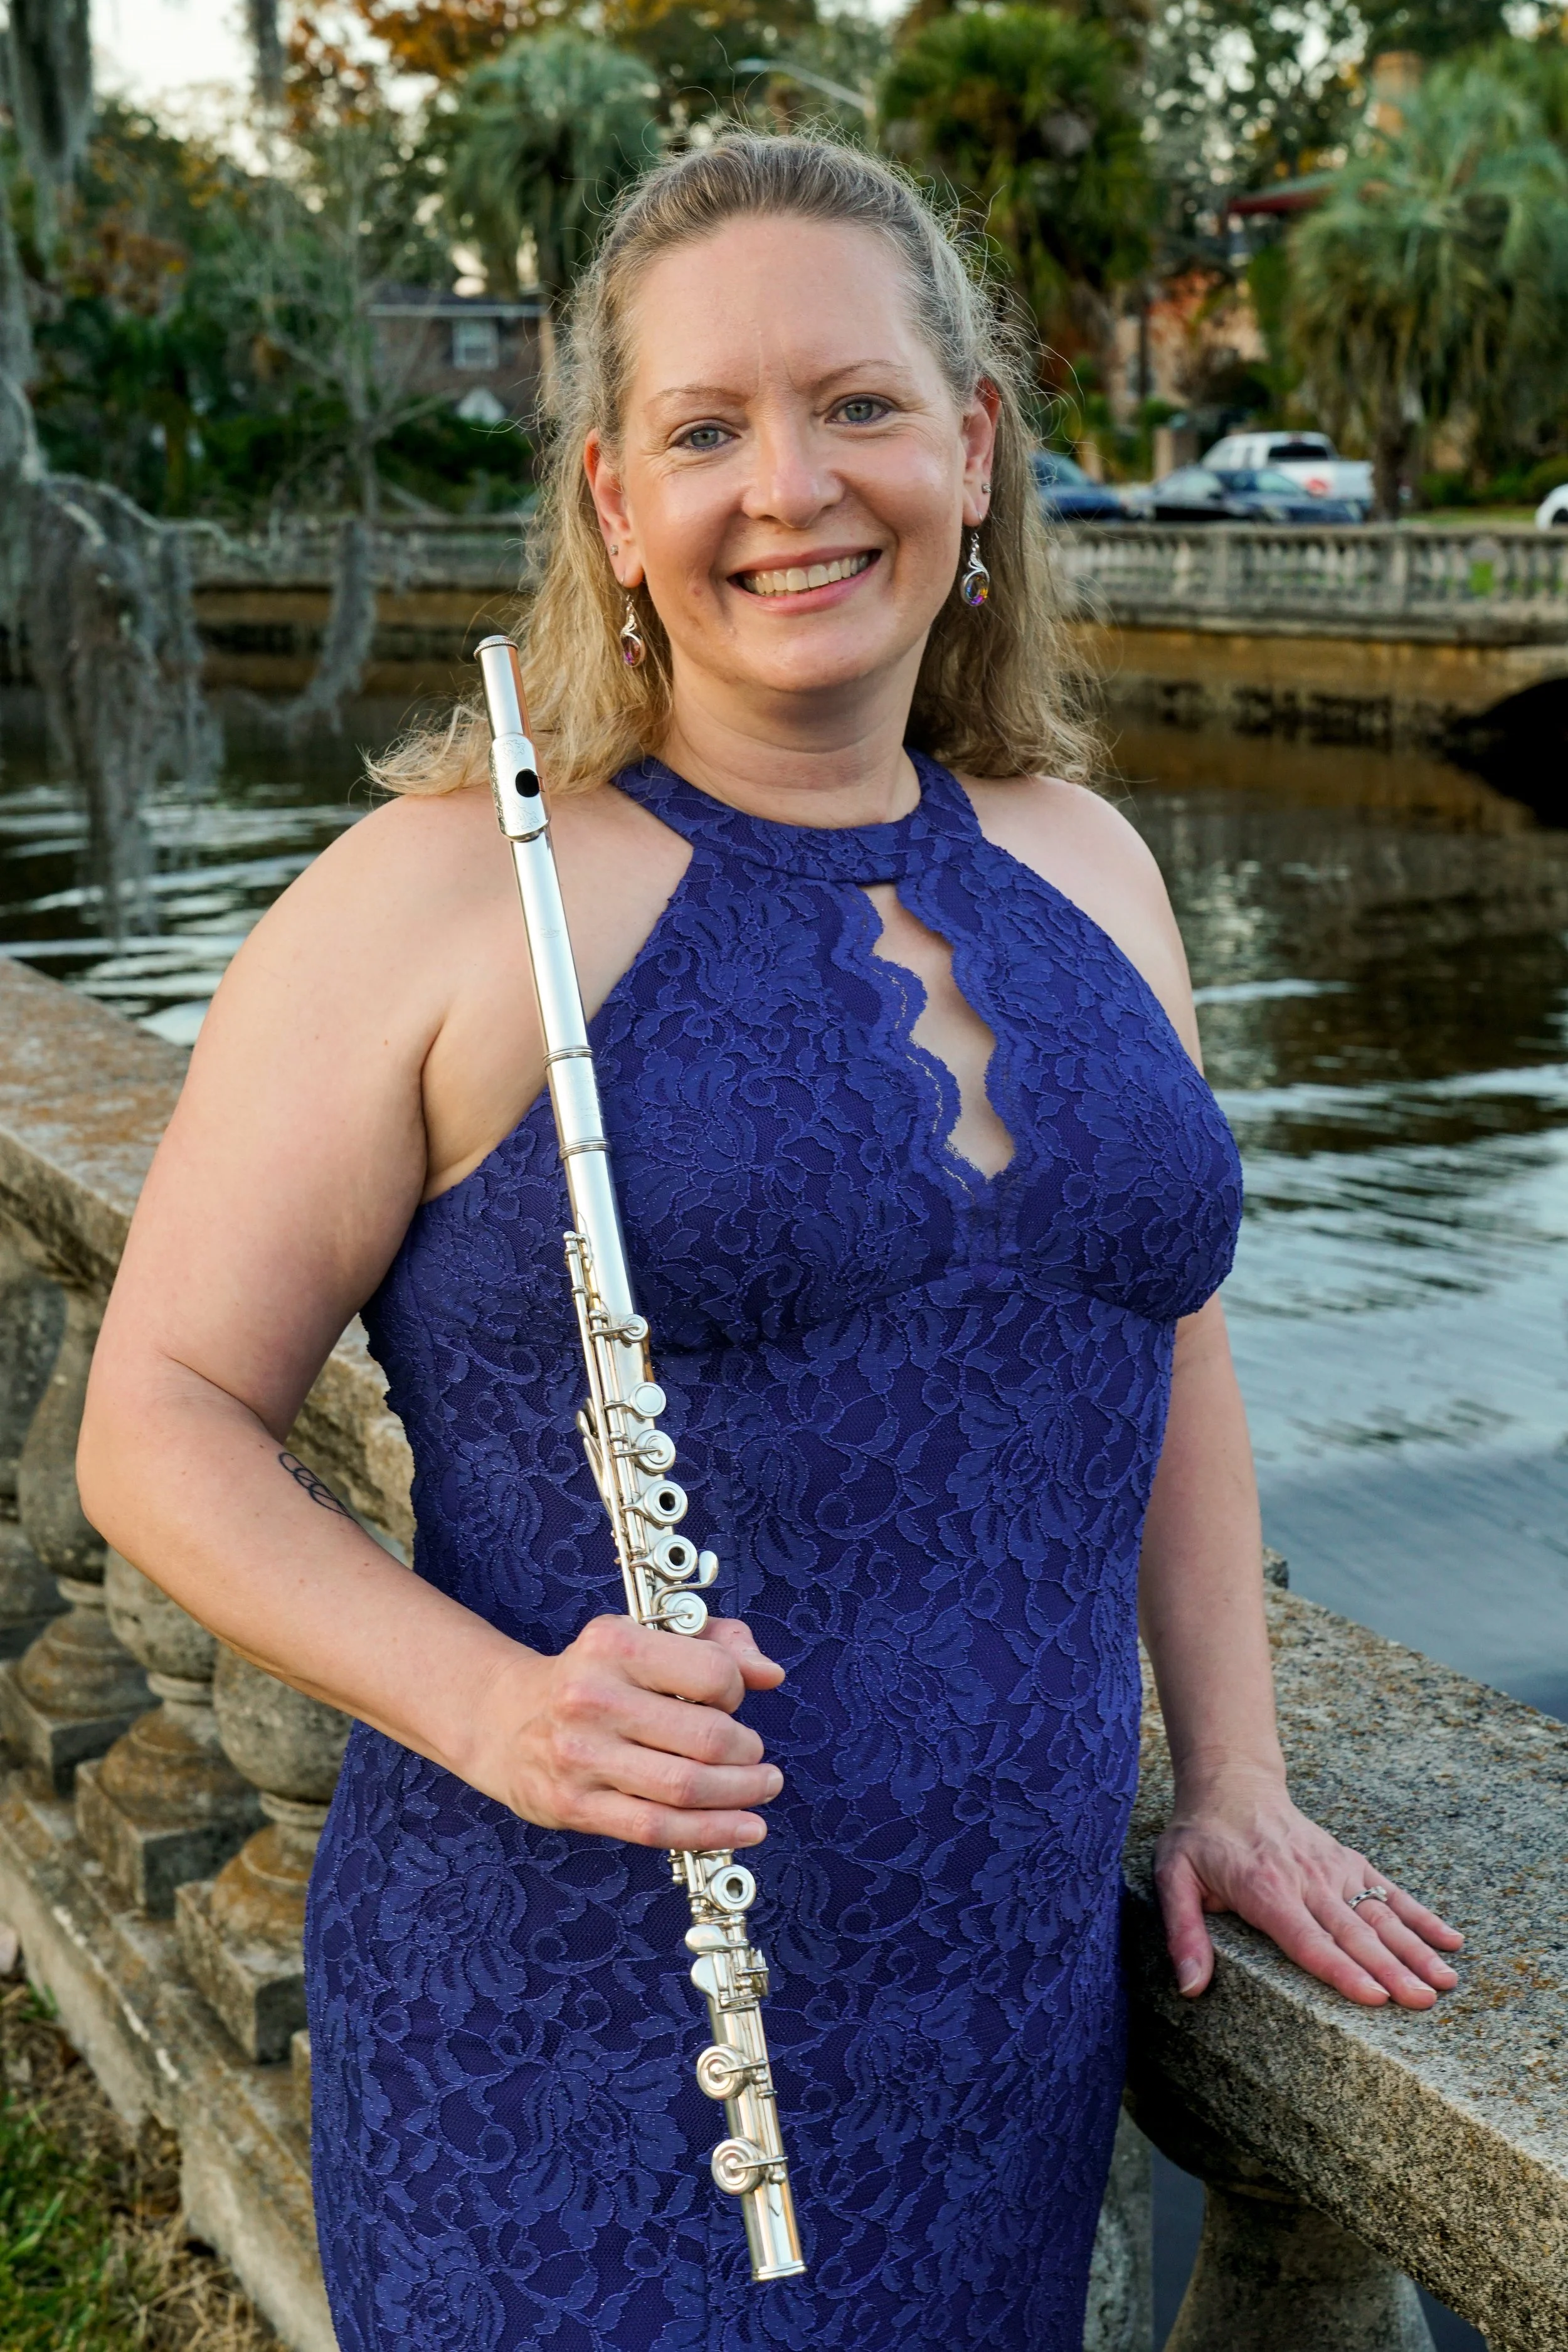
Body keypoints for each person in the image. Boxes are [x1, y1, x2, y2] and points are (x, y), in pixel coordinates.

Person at [77, 132, 1462, 2352]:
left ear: (974, 450)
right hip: (576, 2040)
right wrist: (497, 1708)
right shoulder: (433, 900)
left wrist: (1233, 1775)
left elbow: (1164, 1339)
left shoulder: (1092, 862)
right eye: (705, 429)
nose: (790, 487)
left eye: (857, 405)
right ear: (613, 503)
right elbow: (156, 1419)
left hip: (995, 2034)